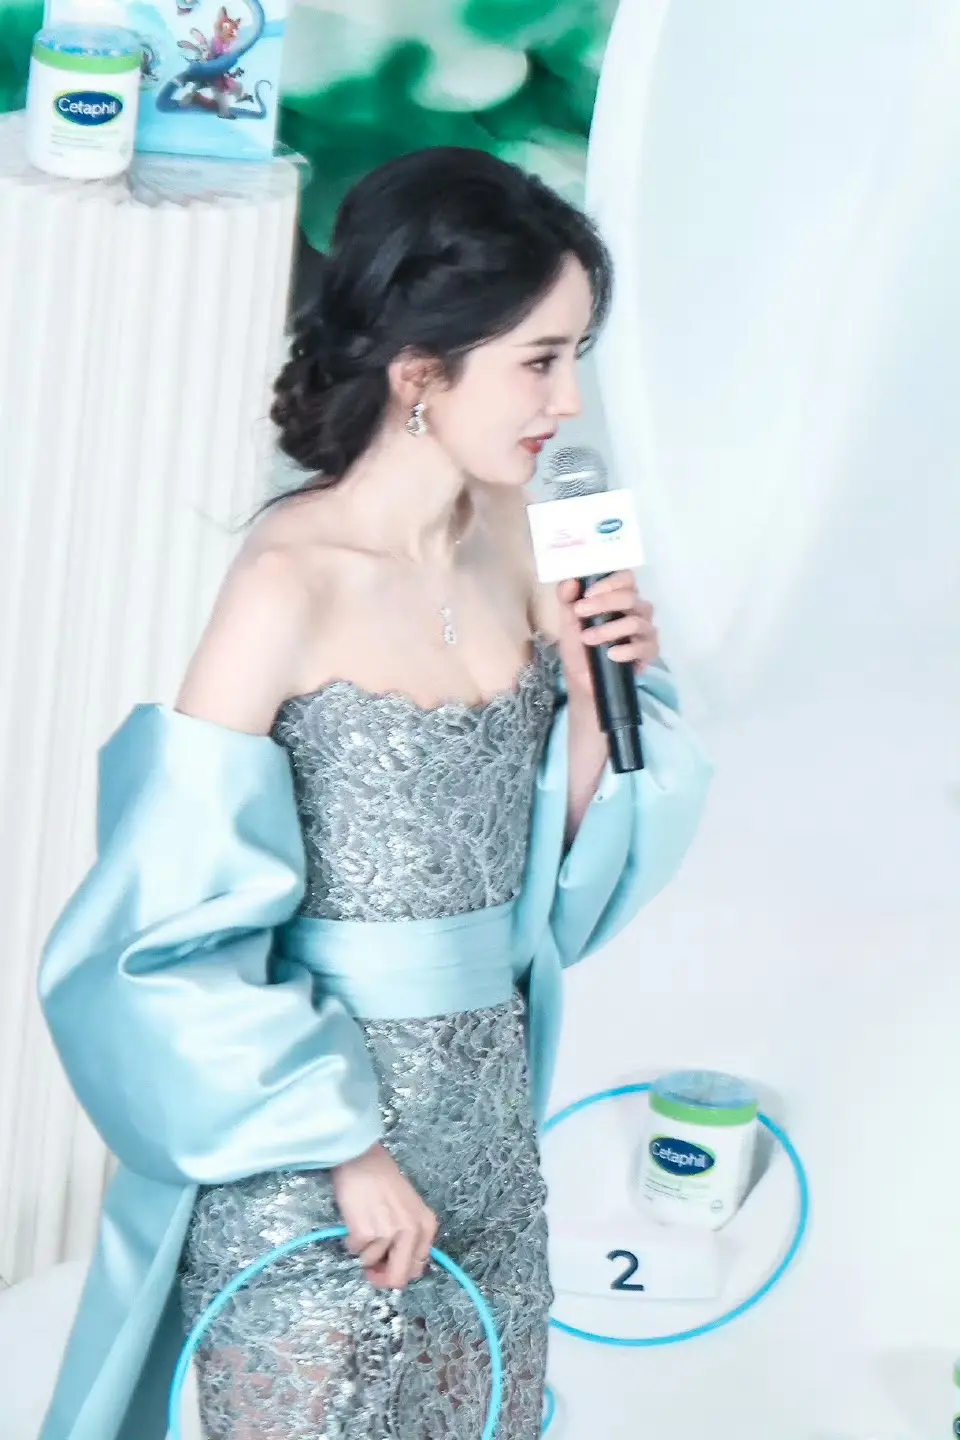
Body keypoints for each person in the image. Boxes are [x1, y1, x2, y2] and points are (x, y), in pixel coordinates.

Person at [36, 148, 712, 1440]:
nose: (569, 400)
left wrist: (596, 691)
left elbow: (560, 889)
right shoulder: (289, 582)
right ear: (419, 371)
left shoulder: (524, 542)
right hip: (309, 1156)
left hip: (490, 1142)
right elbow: (157, 935)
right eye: (540, 359)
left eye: (577, 356)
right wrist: (343, 1148)